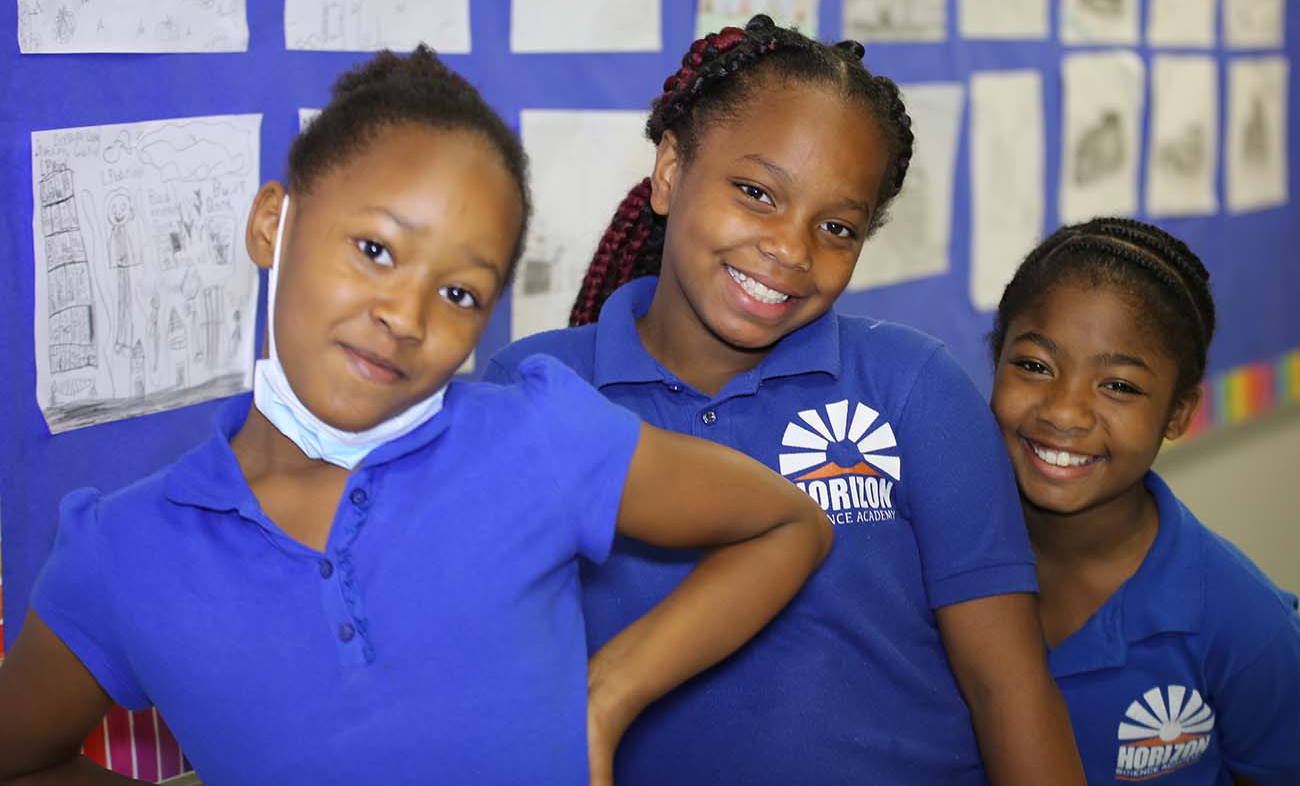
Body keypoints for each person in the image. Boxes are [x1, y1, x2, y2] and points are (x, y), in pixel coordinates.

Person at [0, 47, 832, 786]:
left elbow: (788, 525)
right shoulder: (127, 551)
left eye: (460, 292)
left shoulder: (539, 443)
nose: (406, 314)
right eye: (375, 250)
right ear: (273, 224)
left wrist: (609, 695)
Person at [486, 14, 1085, 784]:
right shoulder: (537, 395)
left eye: (837, 226)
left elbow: (1007, 688)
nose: (792, 251)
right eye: (756, 192)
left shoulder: (912, 387)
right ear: (670, 171)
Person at [989, 217, 1300, 785]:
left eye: (1120, 386)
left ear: (1179, 412)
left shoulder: (1243, 622)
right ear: (995, 361)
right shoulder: (934, 560)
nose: (1063, 411)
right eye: (1035, 366)